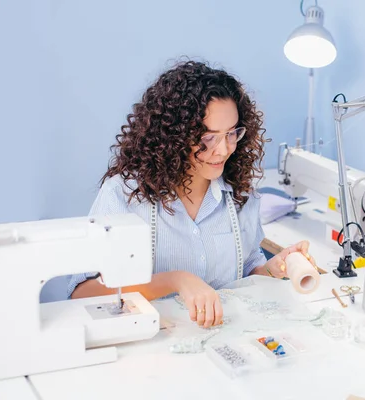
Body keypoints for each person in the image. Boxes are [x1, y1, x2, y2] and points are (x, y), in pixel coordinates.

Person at [67, 60, 316, 327]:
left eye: (231, 133)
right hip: (154, 345)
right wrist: (175, 280)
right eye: (208, 138)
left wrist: (273, 268)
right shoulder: (126, 194)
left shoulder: (239, 195)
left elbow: (245, 271)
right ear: (174, 135)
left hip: (220, 343)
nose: (223, 150)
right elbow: (81, 294)